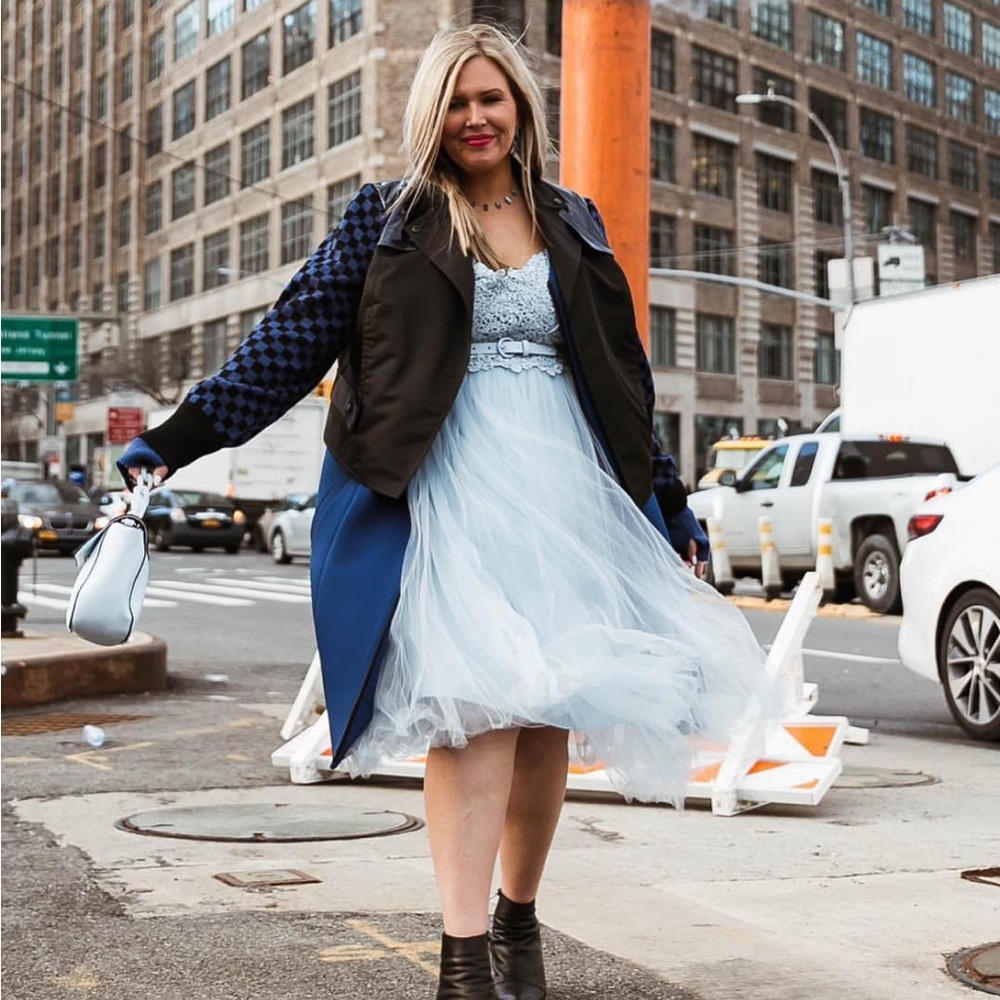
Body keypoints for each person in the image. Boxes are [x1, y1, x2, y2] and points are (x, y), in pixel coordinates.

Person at [118, 24, 775, 1000]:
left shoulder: (574, 219)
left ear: (519, 108)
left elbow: (621, 375)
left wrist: (669, 507)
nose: (476, 116)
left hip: (566, 495)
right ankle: (462, 958)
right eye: (458, 100)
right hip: (447, 488)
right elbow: (287, 343)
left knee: (549, 712)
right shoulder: (387, 219)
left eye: (492, 98)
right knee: (473, 711)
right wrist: (173, 440)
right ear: (433, 111)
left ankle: (519, 916)